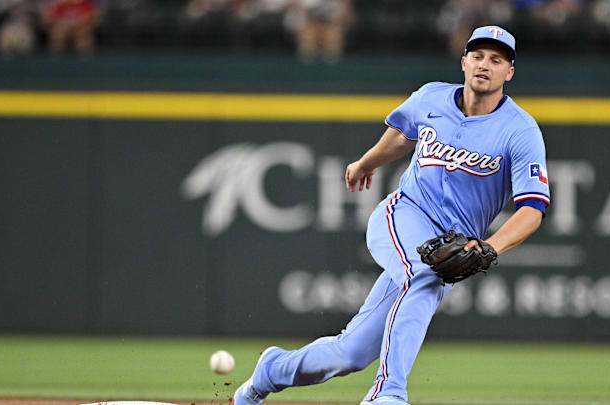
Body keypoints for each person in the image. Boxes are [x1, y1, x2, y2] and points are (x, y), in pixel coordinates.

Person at [232, 25, 551, 405]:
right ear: (463, 62)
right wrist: (367, 162)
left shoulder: (520, 130)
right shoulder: (431, 97)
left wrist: (490, 248)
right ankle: (388, 394)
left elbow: (532, 209)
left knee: (350, 353)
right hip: (403, 216)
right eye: (478, 56)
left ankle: (271, 371)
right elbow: (402, 135)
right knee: (423, 274)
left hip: (454, 246)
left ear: (509, 72)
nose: (485, 65)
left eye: (496, 60)